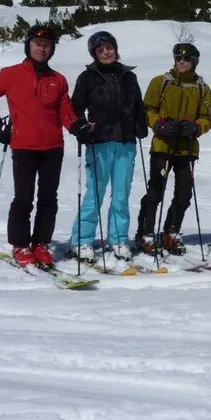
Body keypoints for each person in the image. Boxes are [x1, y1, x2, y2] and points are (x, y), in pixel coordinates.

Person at [0, 25, 86, 268]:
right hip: (24, 145)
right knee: (23, 198)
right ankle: (20, 245)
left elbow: (65, 111)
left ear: (52, 50)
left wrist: (76, 126)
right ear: (28, 46)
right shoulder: (10, 74)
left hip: (53, 147)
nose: (42, 49)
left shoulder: (57, 79)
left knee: (49, 198)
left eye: (47, 45)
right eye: (37, 44)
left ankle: (41, 244)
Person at [69, 31, 148, 263]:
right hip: (99, 141)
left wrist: (141, 123)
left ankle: (118, 238)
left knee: (121, 194)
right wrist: (81, 126)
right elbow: (75, 108)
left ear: (115, 48)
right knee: (95, 193)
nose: (106, 52)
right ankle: (82, 240)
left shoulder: (128, 77)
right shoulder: (88, 77)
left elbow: (139, 105)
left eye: (109, 47)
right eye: (100, 49)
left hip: (125, 142)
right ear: (94, 53)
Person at [136, 43, 211, 255]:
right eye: (178, 58)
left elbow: (208, 117)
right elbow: (147, 109)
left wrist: (196, 127)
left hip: (187, 148)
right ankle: (146, 232)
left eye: (186, 59)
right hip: (163, 145)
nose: (181, 62)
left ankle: (171, 232)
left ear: (194, 62)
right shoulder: (160, 82)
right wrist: (159, 124)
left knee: (183, 195)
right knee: (156, 191)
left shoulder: (202, 88)